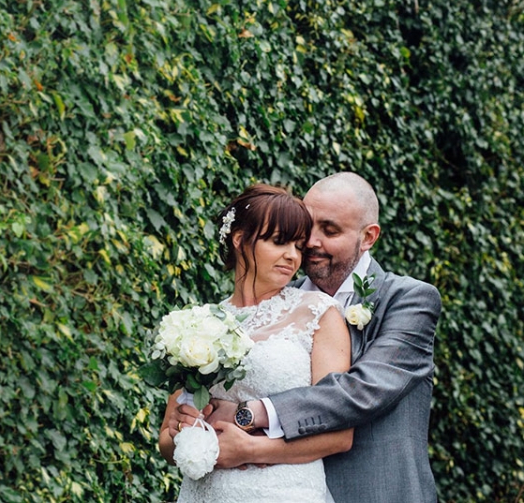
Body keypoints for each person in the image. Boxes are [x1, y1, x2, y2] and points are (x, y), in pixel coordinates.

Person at [171, 172, 442, 503]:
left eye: (330, 230)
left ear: (368, 237)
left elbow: (362, 389)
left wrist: (248, 413)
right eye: (306, 228)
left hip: (374, 492)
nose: (311, 242)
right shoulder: (276, 300)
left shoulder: (408, 299)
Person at [158, 183, 353, 502]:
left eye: (298, 246)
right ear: (240, 239)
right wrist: (183, 429)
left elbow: (339, 435)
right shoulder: (197, 325)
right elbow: (166, 443)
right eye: (279, 242)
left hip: (284, 492)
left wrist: (248, 450)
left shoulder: (319, 313)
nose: (292, 256)